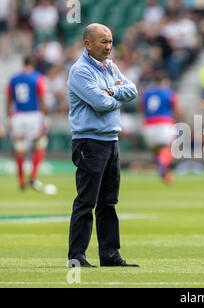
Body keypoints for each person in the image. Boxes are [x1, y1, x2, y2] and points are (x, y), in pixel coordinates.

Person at [67, 24, 139, 268]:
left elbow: (133, 90)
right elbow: (101, 103)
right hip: (90, 141)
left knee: (109, 202)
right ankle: (77, 256)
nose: (108, 47)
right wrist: (115, 91)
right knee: (87, 201)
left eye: (110, 41)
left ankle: (110, 255)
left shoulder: (111, 66)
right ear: (87, 44)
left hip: (110, 140)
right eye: (103, 42)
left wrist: (111, 90)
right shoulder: (80, 71)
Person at [7, 55, 49, 191]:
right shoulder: (38, 77)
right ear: (33, 63)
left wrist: (9, 117)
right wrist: (45, 116)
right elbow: (42, 98)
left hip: (18, 115)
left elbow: (9, 99)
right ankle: (32, 176)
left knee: (20, 149)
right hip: (33, 115)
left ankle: (21, 182)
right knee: (40, 145)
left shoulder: (13, 79)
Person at [140, 74, 184, 184]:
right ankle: (162, 164)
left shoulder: (147, 93)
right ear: (165, 81)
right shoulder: (169, 93)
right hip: (164, 123)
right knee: (169, 148)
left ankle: (165, 175)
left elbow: (140, 108)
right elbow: (177, 110)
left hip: (148, 125)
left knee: (157, 150)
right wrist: (180, 119)